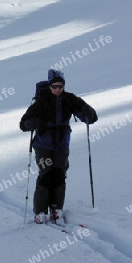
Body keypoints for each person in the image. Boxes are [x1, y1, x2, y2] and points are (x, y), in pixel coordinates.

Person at [19, 69, 97, 225]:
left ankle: (57, 208)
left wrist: (89, 115)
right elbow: (23, 123)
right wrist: (30, 123)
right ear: (49, 86)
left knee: (60, 175)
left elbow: (87, 113)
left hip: (62, 144)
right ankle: (40, 212)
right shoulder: (41, 101)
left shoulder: (69, 99)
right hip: (43, 144)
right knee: (46, 174)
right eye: (54, 86)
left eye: (60, 86)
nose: (57, 89)